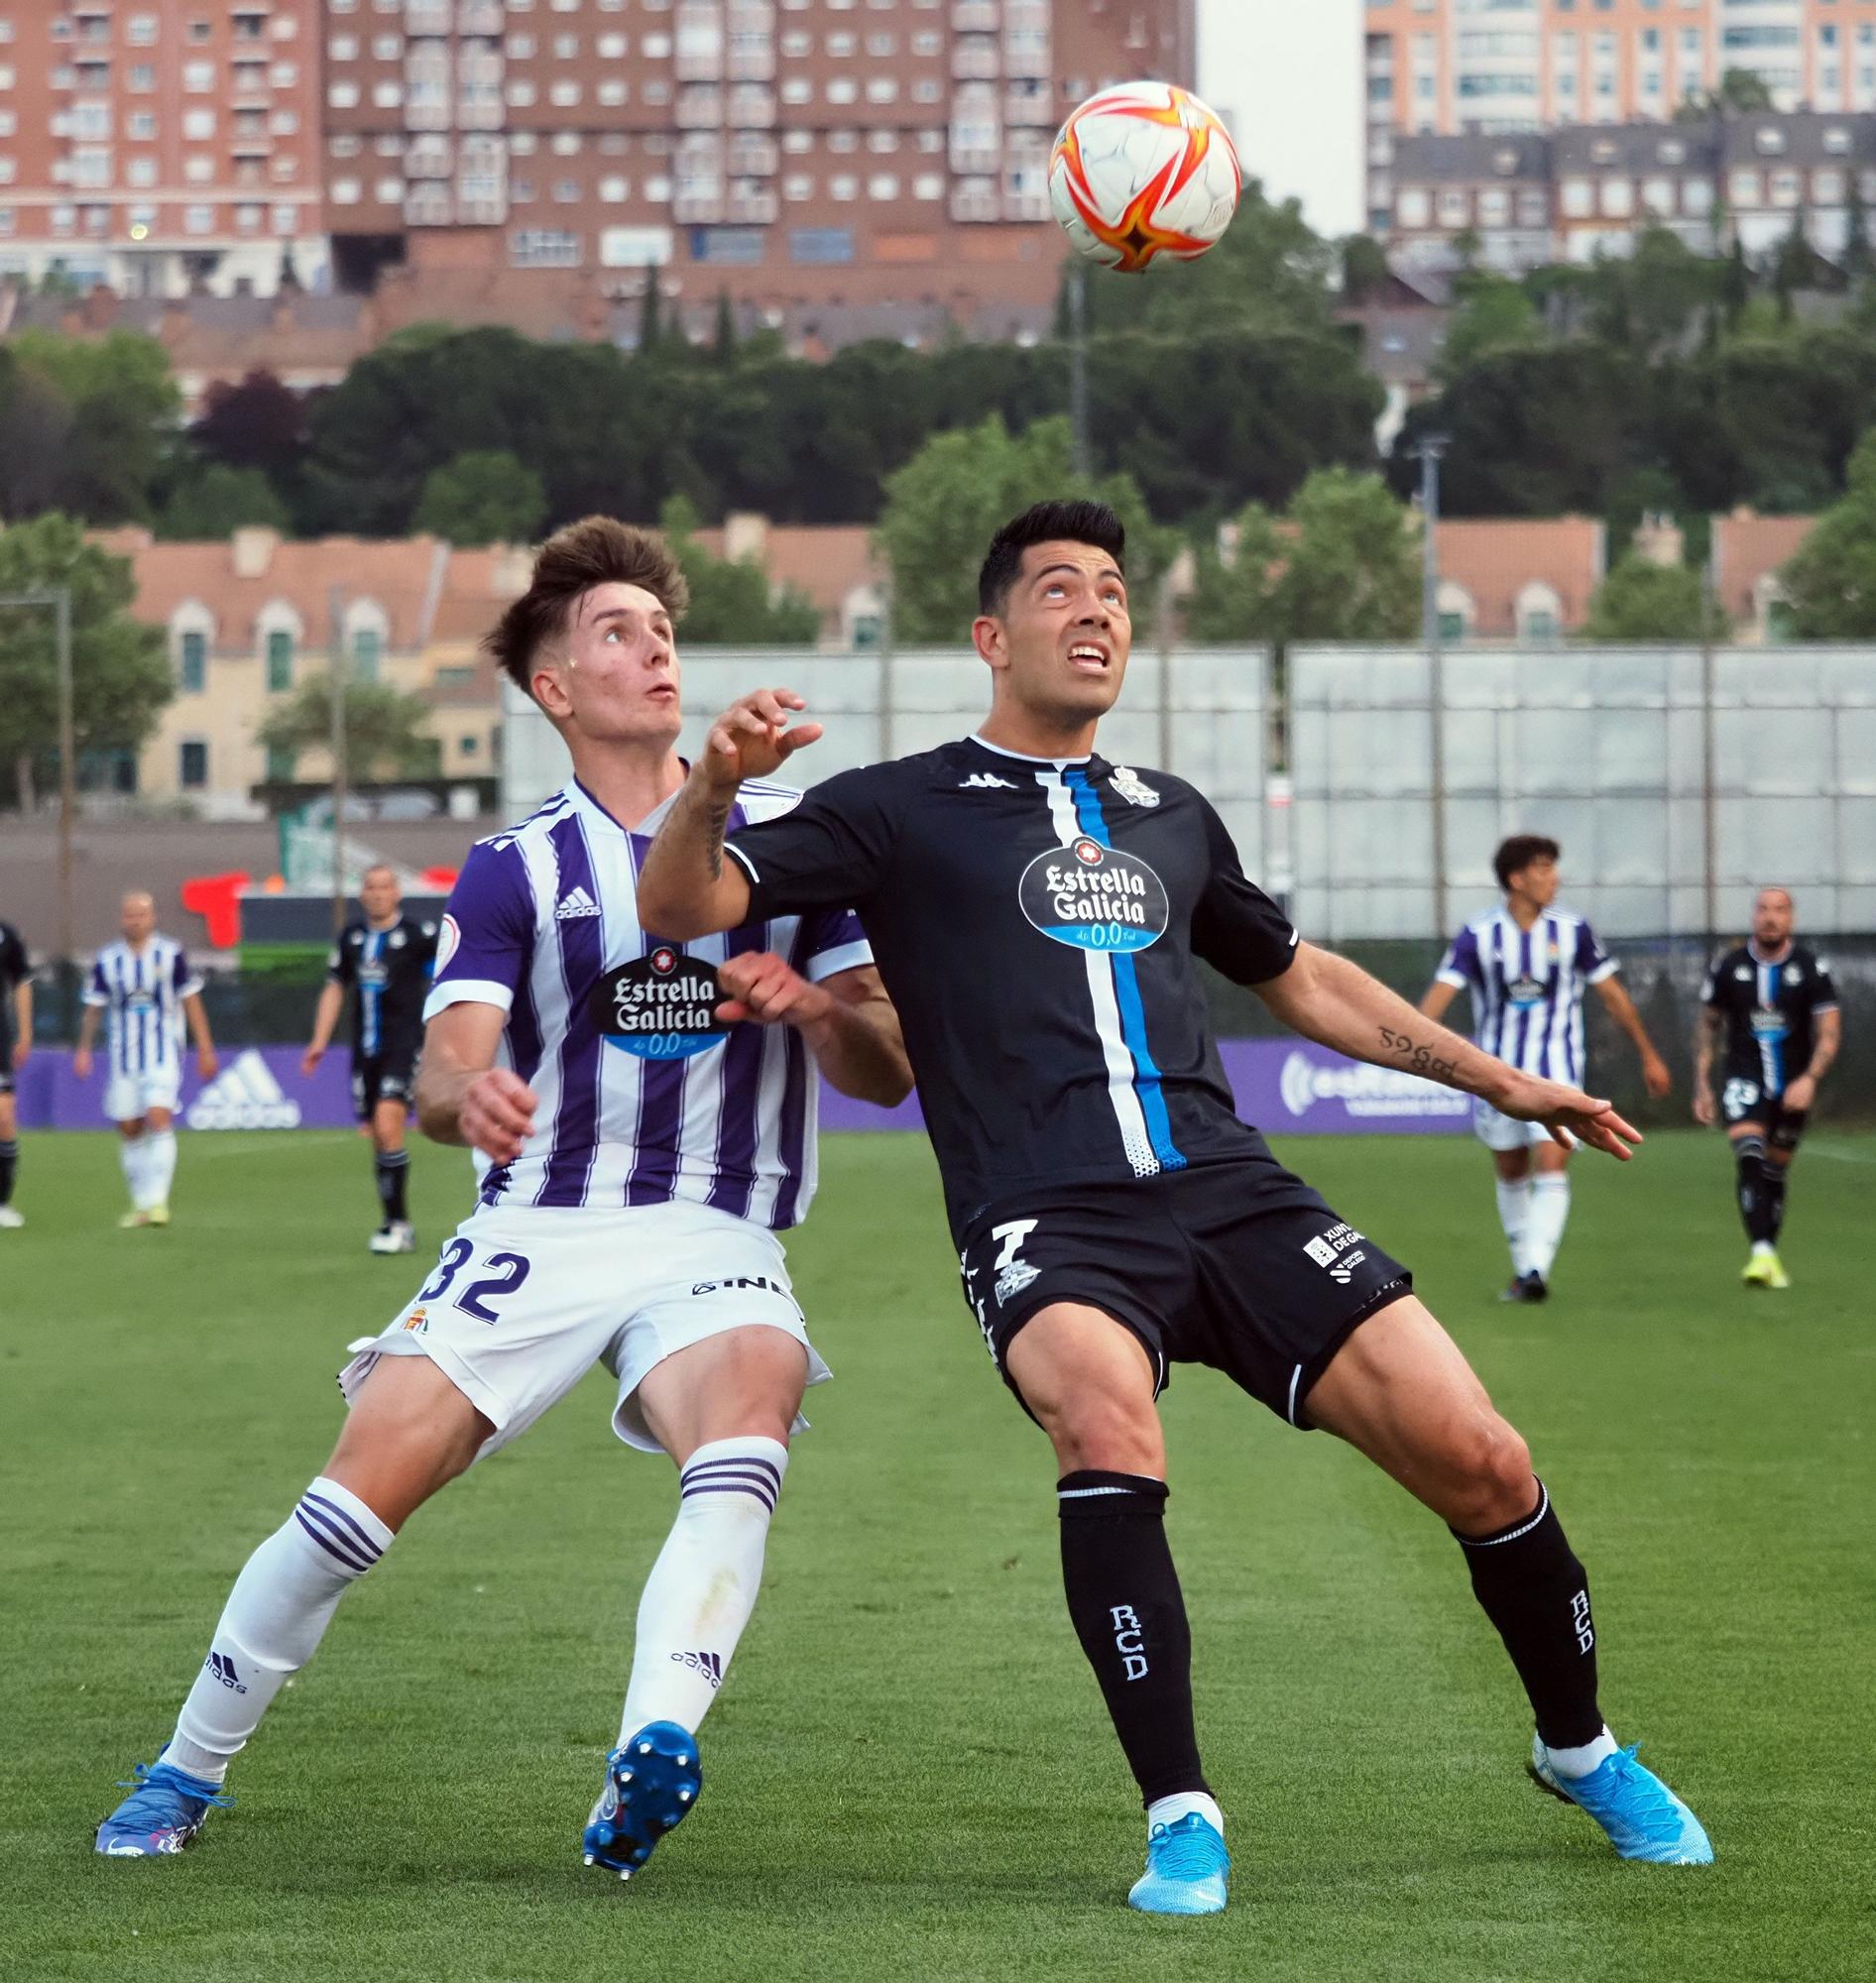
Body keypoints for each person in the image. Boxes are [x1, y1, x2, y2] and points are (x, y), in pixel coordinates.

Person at [637, 499, 1712, 1917]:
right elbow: (682, 904)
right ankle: (1183, 1814)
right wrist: (713, 783)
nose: (1097, 613)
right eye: (1062, 591)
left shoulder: (1172, 815)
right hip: (1045, 1210)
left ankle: (1579, 1749)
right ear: (990, 634)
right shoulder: (895, 807)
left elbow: (1303, 977)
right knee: (1102, 1414)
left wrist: (1502, 1081)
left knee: (1486, 1458)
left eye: (1117, 597)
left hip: (1230, 1189)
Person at [95, 518, 910, 1879]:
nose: (653, 652)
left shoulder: (797, 844)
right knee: (357, 1501)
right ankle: (186, 1766)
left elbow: (886, 1070)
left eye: (663, 633)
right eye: (616, 634)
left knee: (756, 1394)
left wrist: (820, 1008)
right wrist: (462, 1095)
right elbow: (444, 1060)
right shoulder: (512, 868)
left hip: (713, 1226)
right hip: (540, 1219)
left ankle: (654, 1744)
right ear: (554, 689)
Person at [1419, 836, 1672, 1303]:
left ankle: (1534, 1269)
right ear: (1517, 878)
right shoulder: (1478, 935)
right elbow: (1438, 998)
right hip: (1496, 1076)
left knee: (1552, 1160)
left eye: (1554, 868)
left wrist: (1648, 1052)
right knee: (1512, 1171)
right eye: (1544, 868)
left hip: (1558, 1071)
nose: (1554, 878)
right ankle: (1525, 1271)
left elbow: (1612, 994)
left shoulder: (1573, 930)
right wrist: (1412, 1044)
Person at [1694, 886, 1840, 1290]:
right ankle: (1760, 1251)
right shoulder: (1730, 966)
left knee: (1775, 1171)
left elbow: (1829, 1032)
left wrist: (1810, 1079)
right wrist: (1703, 1084)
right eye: (1763, 910)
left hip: (1793, 1085)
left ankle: (1766, 1255)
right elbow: (1708, 1025)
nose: (1770, 917)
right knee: (1750, 1157)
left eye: (1779, 910)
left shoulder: (1811, 967)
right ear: (1754, 916)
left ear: (1790, 919)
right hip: (1743, 1078)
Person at [303, 864, 439, 1254]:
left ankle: (398, 1225)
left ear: (397, 892)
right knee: (379, 1137)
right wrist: (319, 1041)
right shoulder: (352, 938)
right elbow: (334, 988)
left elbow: (442, 982)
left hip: (405, 1045)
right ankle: (393, 1220)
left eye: (385, 887)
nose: (378, 894)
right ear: (362, 895)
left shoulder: (418, 936)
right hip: (365, 1051)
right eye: (371, 887)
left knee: (388, 1122)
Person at [72, 892, 218, 1228]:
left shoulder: (170, 954)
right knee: (129, 1127)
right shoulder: (108, 959)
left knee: (158, 1116)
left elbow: (191, 1001)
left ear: (153, 918)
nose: (134, 920)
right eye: (129, 915)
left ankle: (158, 1203)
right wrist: (83, 1048)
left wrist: (206, 1048)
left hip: (163, 1053)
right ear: (121, 919)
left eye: (141, 915)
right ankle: (140, 1204)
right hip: (123, 1057)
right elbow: (93, 1007)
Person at [0, 914, 29, 1228]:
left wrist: (25, 1032)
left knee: (4, 1116)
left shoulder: (6, 934)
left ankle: (2, 1202)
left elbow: (21, 981)